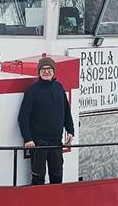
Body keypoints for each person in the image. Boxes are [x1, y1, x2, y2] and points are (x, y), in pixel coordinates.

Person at [18, 57, 75, 185]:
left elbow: (66, 112)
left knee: (57, 176)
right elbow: (23, 117)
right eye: (43, 69)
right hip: (38, 143)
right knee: (38, 178)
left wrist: (70, 131)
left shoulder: (59, 88)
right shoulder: (32, 91)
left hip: (56, 142)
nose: (46, 71)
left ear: (54, 71)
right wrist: (28, 138)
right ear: (39, 72)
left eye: (49, 68)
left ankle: (56, 198)